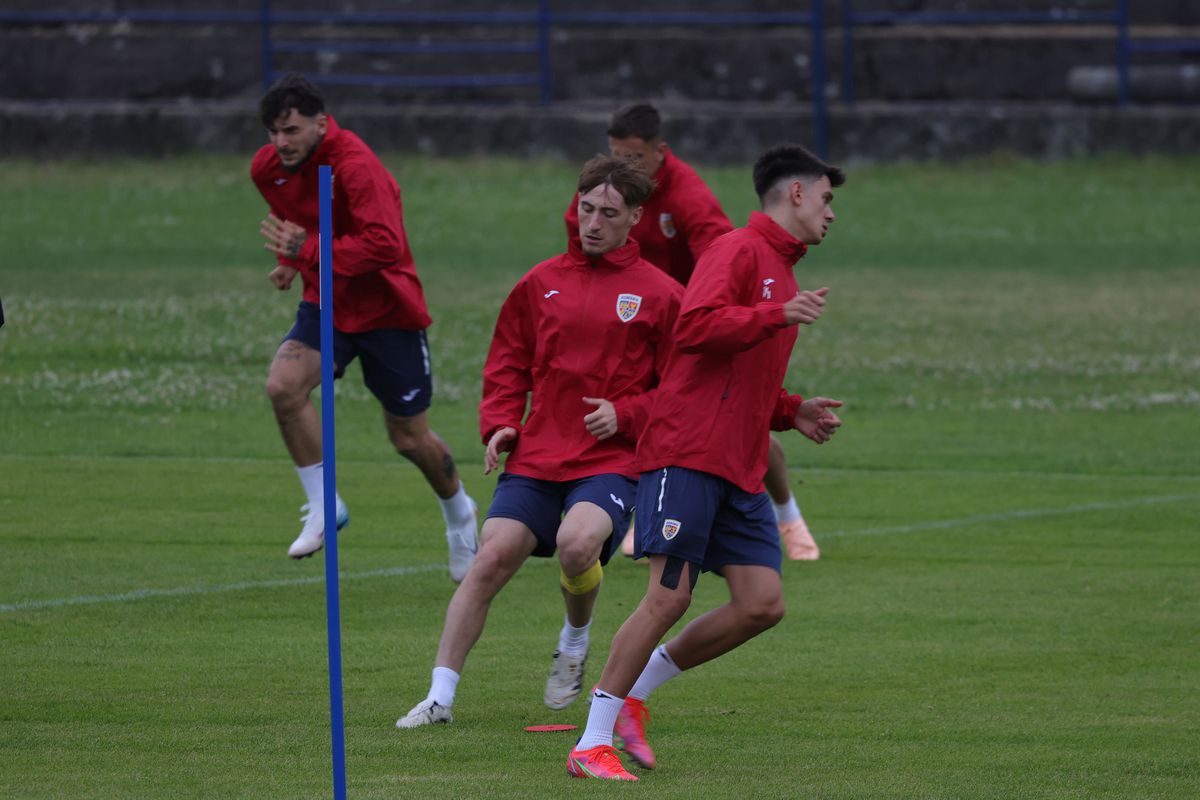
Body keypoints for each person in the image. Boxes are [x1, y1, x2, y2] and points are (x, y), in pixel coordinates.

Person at [565, 144, 845, 781]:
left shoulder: (783, 270)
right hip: (688, 455)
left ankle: (634, 697)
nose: (832, 214)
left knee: (762, 603)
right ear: (795, 193)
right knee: (669, 597)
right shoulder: (737, 250)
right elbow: (695, 327)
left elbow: (736, 375)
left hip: (738, 465)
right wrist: (774, 314)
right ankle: (591, 744)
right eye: (827, 198)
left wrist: (791, 409)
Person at [395, 156, 683, 729]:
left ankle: (574, 639)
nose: (592, 223)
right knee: (489, 559)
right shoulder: (540, 282)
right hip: (540, 453)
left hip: (612, 460)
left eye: (608, 213)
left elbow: (679, 390)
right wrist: (501, 423)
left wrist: (625, 413)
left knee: (578, 545)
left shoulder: (661, 294)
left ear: (635, 218)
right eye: (585, 210)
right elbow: (507, 364)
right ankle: (439, 698)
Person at [567, 102, 821, 561]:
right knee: (636, 412)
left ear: (661, 151)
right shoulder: (607, 194)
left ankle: (789, 515)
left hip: (692, 327)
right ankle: (641, 513)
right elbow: (581, 241)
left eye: (635, 157)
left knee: (749, 422)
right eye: (616, 154)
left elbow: (724, 255)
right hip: (639, 320)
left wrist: (711, 316)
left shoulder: (687, 194)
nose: (625, 166)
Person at [249, 73, 478, 576]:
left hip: (388, 312)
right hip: (327, 303)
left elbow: (384, 245)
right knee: (283, 386)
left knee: (408, 438)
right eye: (273, 131)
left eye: (291, 130)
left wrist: (304, 250)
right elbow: (301, 214)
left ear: (321, 124)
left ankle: (459, 513)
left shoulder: (356, 166)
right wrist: (295, 260)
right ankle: (324, 505)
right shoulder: (268, 168)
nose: (280, 143)